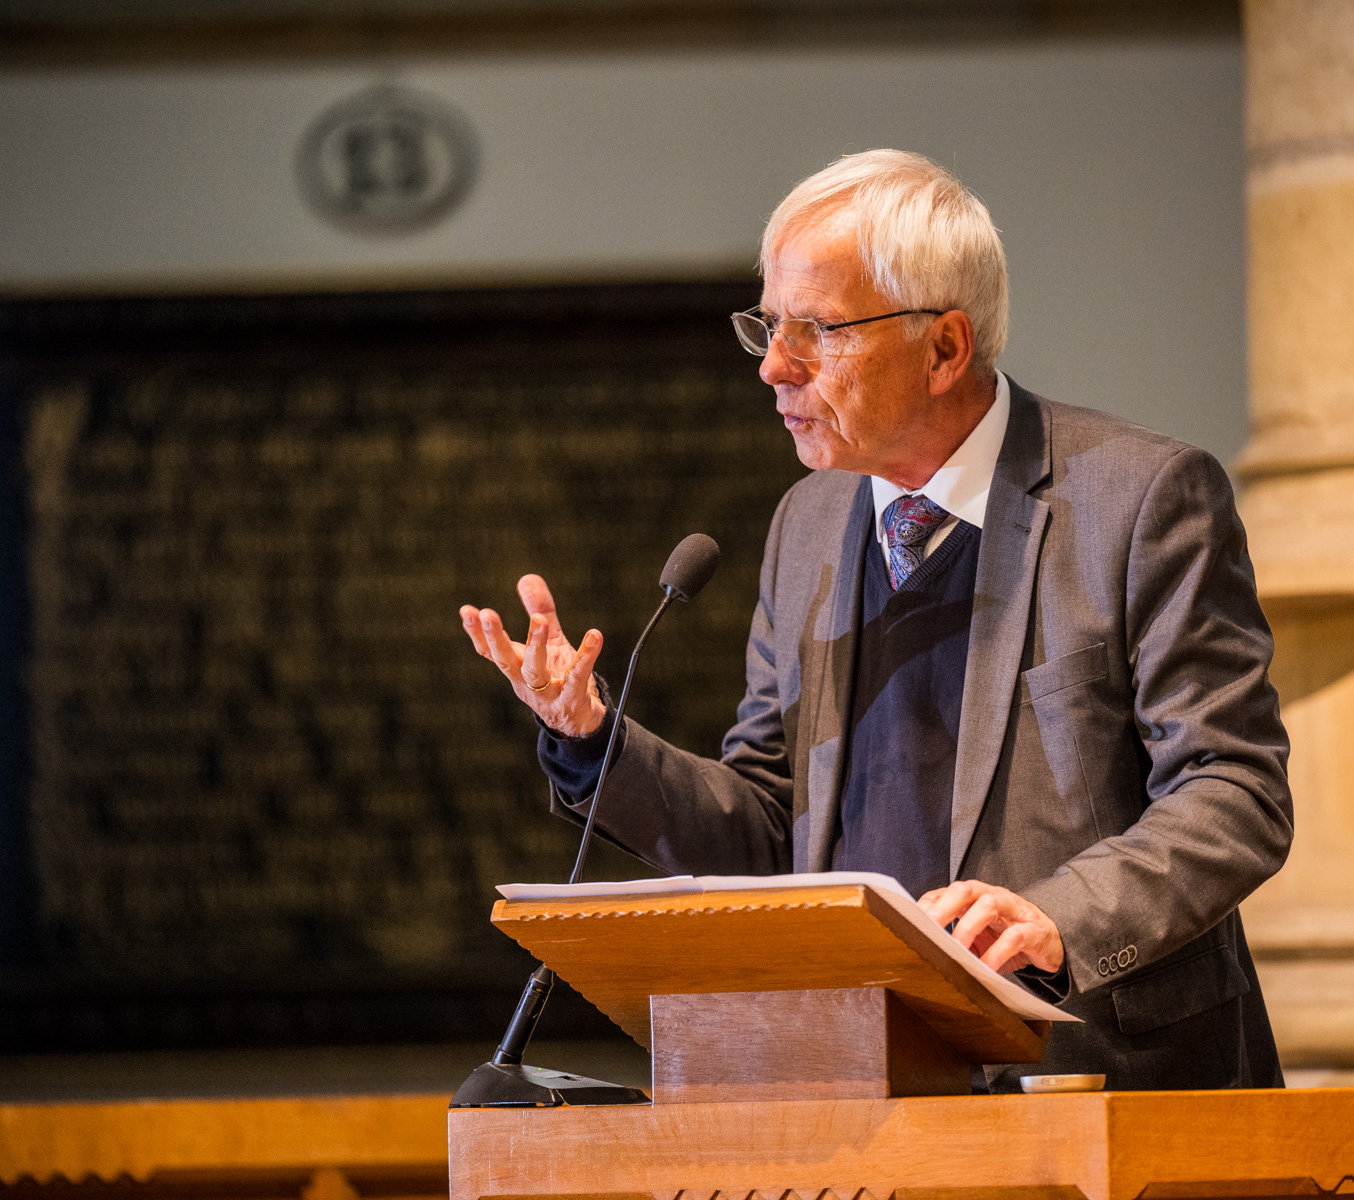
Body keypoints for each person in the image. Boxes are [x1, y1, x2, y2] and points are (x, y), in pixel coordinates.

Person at [460, 149, 1292, 1091]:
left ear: (944, 348)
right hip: (863, 1090)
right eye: (769, 326)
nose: (775, 367)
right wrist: (594, 739)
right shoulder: (807, 526)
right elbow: (771, 826)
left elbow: (1236, 789)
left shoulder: (1139, 499)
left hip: (1105, 1076)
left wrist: (1059, 918)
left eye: (817, 331)